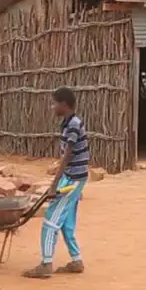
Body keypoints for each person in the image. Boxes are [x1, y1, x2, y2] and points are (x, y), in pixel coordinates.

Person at [23, 86, 91, 279]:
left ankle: (46, 264)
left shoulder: (73, 125)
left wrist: (54, 185)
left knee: (51, 220)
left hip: (73, 179)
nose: (52, 107)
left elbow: (67, 155)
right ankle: (76, 260)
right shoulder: (70, 122)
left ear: (63, 104)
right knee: (66, 221)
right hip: (74, 177)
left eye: (54, 103)